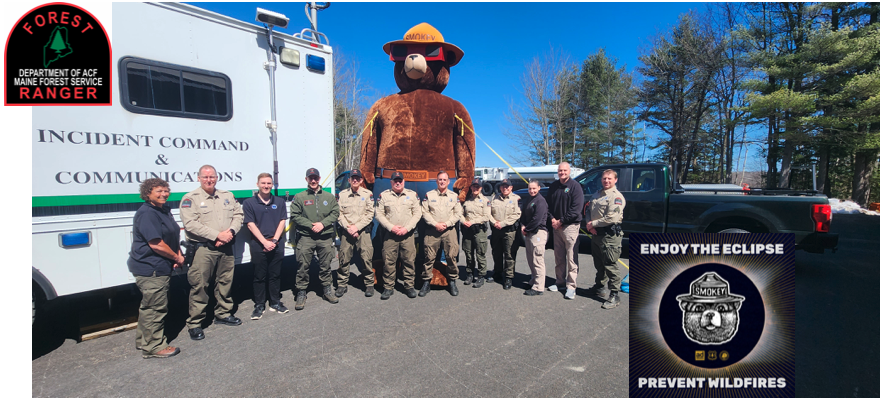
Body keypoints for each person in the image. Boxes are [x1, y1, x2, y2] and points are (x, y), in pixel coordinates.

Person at [180, 165, 244, 341]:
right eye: (205, 177)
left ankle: (223, 313)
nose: (209, 180)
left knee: (225, 281)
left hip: (226, 246)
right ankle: (195, 323)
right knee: (200, 285)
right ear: (199, 178)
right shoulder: (190, 199)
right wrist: (216, 235)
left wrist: (230, 232)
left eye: (212, 177)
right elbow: (191, 224)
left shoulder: (227, 196)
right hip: (203, 248)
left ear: (217, 178)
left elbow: (239, 215)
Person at [127, 178, 183, 359]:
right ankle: (153, 346)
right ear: (147, 193)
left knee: (148, 306)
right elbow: (156, 244)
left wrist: (176, 253)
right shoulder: (147, 213)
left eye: (166, 190)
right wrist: (175, 257)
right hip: (150, 267)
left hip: (160, 264)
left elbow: (171, 235)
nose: (163, 194)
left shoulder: (162, 210)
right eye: (158, 191)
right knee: (156, 308)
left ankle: (143, 340)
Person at [290, 168, 340, 310]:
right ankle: (301, 292)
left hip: (324, 236)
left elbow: (335, 212)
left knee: (326, 265)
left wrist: (322, 224)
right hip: (307, 237)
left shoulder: (329, 197)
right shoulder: (300, 197)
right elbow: (295, 215)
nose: (313, 180)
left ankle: (327, 290)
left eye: (315, 178)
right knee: (303, 266)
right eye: (310, 178)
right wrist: (311, 225)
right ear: (306, 179)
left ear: (319, 179)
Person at [242, 173, 289, 320]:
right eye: (263, 183)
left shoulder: (279, 201)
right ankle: (259, 305)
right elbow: (250, 224)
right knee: (259, 276)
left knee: (275, 275)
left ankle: (275, 302)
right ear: (257, 184)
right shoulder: (249, 203)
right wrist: (264, 242)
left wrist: (274, 241)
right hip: (258, 244)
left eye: (269, 183)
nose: (266, 186)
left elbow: (282, 221)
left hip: (276, 243)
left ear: (272, 184)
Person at [374, 171, 422, 300]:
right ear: (391, 182)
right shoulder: (384, 196)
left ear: (404, 181)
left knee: (409, 261)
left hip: (407, 235)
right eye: (395, 181)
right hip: (390, 235)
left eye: (400, 180)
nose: (398, 182)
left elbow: (417, 213)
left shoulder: (412, 195)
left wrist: (406, 228)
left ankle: (409, 286)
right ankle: (388, 287)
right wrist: (392, 227)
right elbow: (378, 214)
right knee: (389, 261)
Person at [585, 169, 627, 309]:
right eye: (604, 178)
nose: (606, 181)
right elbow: (588, 210)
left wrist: (593, 224)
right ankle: (599, 287)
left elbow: (612, 217)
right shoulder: (597, 194)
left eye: (609, 179)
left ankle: (614, 295)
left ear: (615, 180)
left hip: (609, 236)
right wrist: (589, 225)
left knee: (610, 265)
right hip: (596, 235)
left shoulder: (616, 197)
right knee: (599, 264)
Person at [420, 171, 462, 297]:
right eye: (440, 179)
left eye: (444, 179)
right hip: (432, 231)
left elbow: (458, 213)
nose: (442, 181)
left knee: (451, 257)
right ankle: (426, 282)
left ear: (448, 182)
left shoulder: (454, 196)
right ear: (436, 181)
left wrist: (447, 224)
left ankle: (452, 281)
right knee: (429, 258)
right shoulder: (429, 195)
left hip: (449, 231)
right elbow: (424, 212)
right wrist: (435, 224)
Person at [336, 169, 377, 298]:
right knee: (344, 258)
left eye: (357, 178)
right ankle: (342, 285)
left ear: (361, 180)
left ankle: (369, 284)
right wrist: (349, 228)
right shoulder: (342, 195)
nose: (355, 180)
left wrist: (357, 227)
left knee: (366, 258)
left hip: (363, 231)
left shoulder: (368, 194)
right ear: (349, 180)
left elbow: (370, 214)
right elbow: (339, 214)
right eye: (352, 178)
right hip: (347, 231)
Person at [547, 162, 585, 300]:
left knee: (571, 257)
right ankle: (560, 282)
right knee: (559, 256)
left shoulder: (575, 187)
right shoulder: (554, 186)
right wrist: (552, 219)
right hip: (556, 227)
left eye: (565, 170)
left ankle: (571, 286)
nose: (562, 172)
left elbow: (576, 209)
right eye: (560, 170)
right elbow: (548, 206)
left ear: (569, 171)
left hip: (570, 227)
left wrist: (561, 221)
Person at [489, 179, 521, 290]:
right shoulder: (494, 198)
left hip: (509, 230)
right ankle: (497, 273)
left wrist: (502, 223)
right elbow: (489, 213)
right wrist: (494, 223)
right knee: (496, 253)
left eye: (507, 186)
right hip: (496, 230)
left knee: (509, 254)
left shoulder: (516, 199)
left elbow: (517, 215)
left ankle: (509, 277)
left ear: (511, 188)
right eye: (503, 186)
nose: (505, 188)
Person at [460, 178, 491, 288]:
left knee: (480, 254)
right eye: (474, 186)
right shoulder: (467, 200)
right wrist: (464, 222)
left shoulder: (485, 201)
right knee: (468, 254)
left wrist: (472, 222)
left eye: (477, 187)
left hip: (479, 231)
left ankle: (481, 276)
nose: (475, 188)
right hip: (467, 231)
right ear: (471, 187)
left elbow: (486, 216)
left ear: (481, 188)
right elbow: (460, 213)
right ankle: (470, 274)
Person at [521, 180, 549, 296]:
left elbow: (537, 219)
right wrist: (523, 225)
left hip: (538, 233)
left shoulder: (540, 201)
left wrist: (526, 229)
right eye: (530, 189)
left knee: (538, 260)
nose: (531, 191)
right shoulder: (529, 199)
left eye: (534, 188)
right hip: (529, 233)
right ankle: (533, 280)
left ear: (539, 188)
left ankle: (538, 287)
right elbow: (524, 215)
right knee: (531, 259)